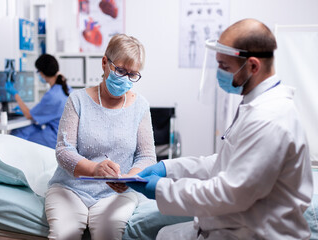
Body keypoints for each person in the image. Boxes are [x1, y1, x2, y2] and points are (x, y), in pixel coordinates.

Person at [127, 19, 313, 240]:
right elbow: (224, 163)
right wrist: (168, 167)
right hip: (236, 226)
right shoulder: (255, 104)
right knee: (165, 234)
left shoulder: (269, 119)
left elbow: (228, 193)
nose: (219, 74)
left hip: (255, 234)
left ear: (253, 66)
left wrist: (161, 189)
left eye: (225, 67)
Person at [45, 34, 157, 240]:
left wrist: (129, 178)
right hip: (70, 188)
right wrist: (94, 169)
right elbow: (63, 150)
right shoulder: (77, 100)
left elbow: (147, 156)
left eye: (132, 75)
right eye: (121, 70)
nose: (125, 78)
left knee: (109, 233)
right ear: (105, 62)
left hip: (117, 193)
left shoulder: (140, 107)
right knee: (63, 234)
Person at [5, 54, 71, 149]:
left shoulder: (52, 95)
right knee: (27, 129)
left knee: (17, 135)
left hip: (54, 138)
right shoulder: (67, 88)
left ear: (42, 74)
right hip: (66, 136)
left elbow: (29, 115)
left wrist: (15, 94)